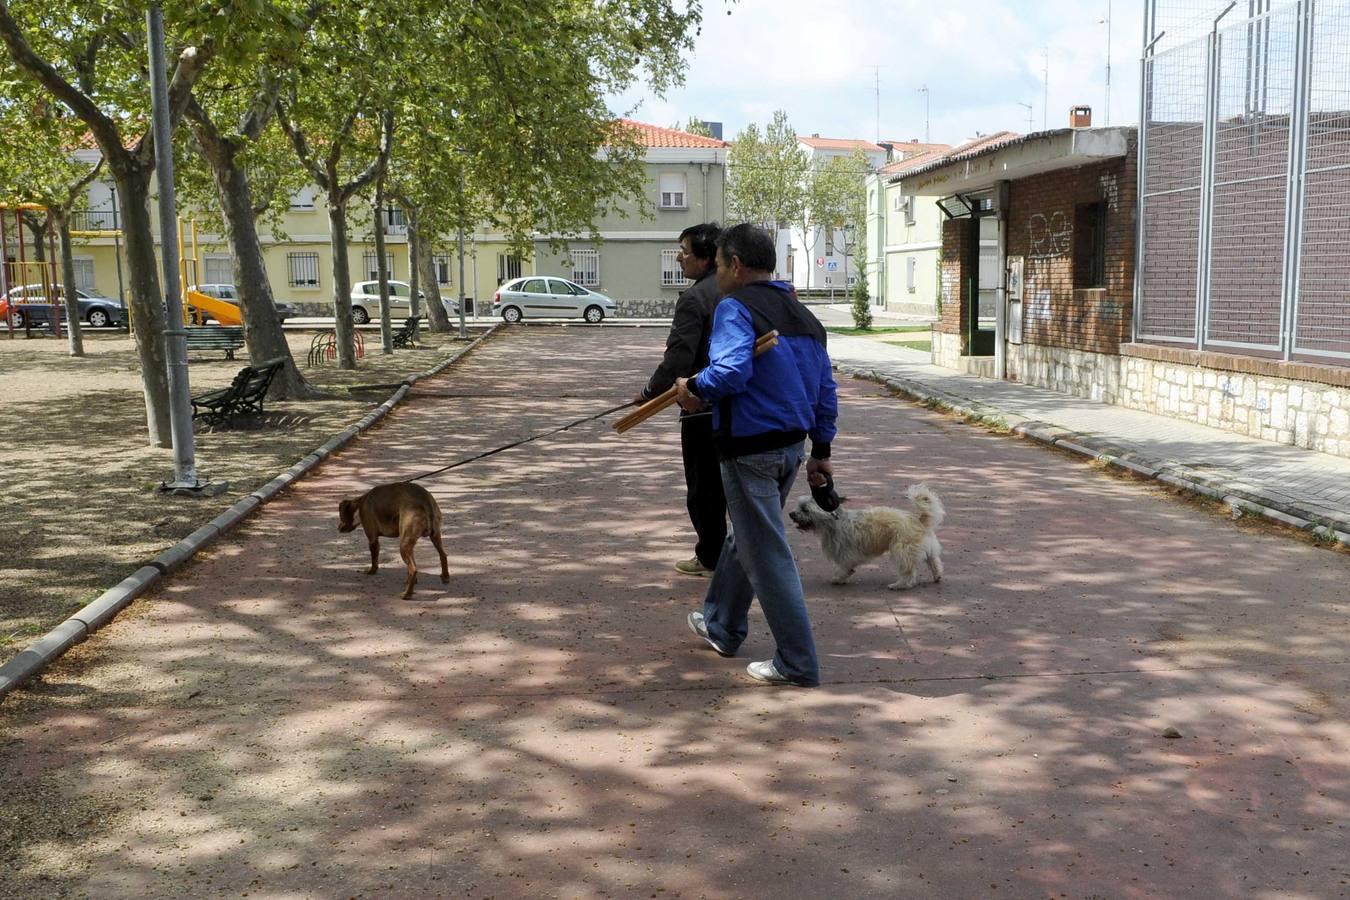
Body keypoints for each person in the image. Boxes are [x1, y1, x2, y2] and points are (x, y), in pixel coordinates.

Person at [674, 223, 837, 687]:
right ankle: (722, 625)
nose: (718, 274)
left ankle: (798, 663)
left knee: (765, 551)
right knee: (745, 537)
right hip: (791, 449)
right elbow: (826, 391)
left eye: (721, 264)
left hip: (748, 449)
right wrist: (821, 452)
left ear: (736, 265)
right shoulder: (804, 316)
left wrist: (693, 389)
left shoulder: (735, 308)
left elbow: (728, 372)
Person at [633, 223, 727, 577]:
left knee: (704, 489)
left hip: (700, 406)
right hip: (741, 406)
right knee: (731, 488)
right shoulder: (736, 292)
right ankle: (732, 555)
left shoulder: (695, 298)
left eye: (685, 251)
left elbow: (679, 358)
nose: (679, 257)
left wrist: (647, 394)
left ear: (705, 259)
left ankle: (711, 558)